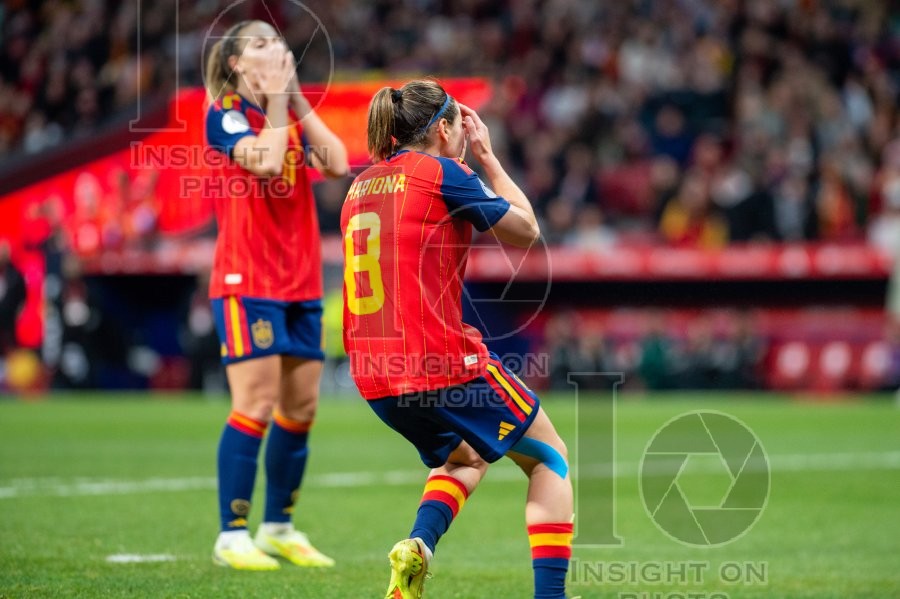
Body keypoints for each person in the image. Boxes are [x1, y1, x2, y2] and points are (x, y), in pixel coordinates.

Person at [341, 80, 573, 599]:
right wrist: (489, 158)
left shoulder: (360, 187)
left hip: (374, 376)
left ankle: (418, 546)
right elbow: (526, 230)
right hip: (441, 363)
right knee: (549, 458)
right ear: (444, 128)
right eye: (458, 126)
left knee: (465, 457)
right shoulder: (444, 172)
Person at [203, 19, 348, 571]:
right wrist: (282, 108)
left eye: (277, 41)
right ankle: (231, 533)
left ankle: (278, 526)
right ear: (237, 63)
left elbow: (335, 163)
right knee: (256, 404)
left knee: (301, 408)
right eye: (260, 43)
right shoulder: (225, 114)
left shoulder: (286, 108)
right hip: (248, 282)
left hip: (301, 282)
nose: (277, 48)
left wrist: (293, 101)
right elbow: (264, 161)